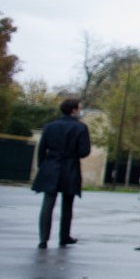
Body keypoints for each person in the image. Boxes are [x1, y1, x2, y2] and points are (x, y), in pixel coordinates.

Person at [32, 98, 91, 248]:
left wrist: (43, 166)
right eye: (79, 108)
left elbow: (42, 148)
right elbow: (84, 151)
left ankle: (43, 239)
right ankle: (64, 236)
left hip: (51, 165)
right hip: (70, 166)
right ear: (73, 110)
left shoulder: (50, 126)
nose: (80, 111)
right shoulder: (81, 128)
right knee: (68, 204)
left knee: (48, 203)